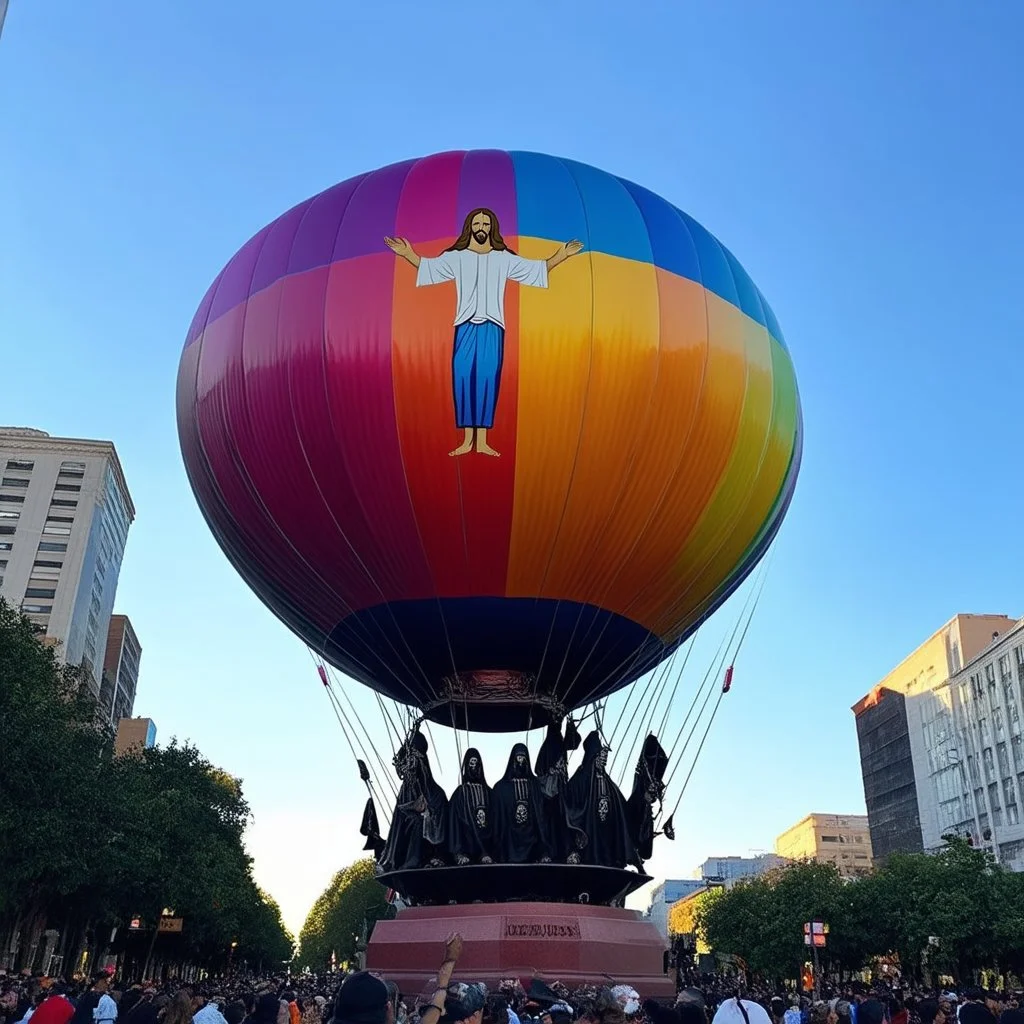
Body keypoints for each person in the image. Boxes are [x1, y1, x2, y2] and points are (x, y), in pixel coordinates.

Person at [386, 210, 583, 457]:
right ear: (470, 226)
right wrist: (408, 255)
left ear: (492, 228)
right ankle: (467, 440)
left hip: (493, 327)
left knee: (487, 379)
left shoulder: (503, 258)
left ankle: (483, 441)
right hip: (465, 325)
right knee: (463, 377)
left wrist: (561, 255)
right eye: (477, 222)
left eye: (486, 223)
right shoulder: (457, 257)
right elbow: (430, 268)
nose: (481, 227)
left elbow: (536, 270)